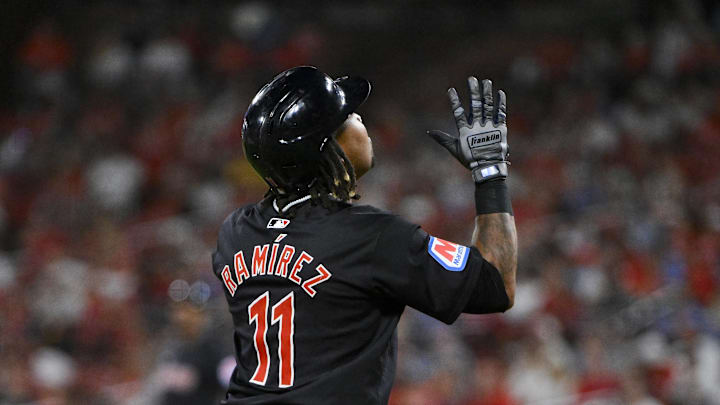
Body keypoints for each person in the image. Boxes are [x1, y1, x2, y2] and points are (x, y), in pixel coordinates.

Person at [211, 66, 517, 404]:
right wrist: (490, 175)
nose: (359, 119)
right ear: (328, 148)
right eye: (348, 116)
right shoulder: (372, 237)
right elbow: (495, 285)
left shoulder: (234, 233)